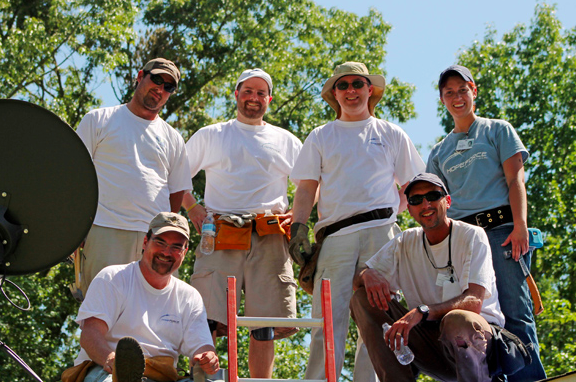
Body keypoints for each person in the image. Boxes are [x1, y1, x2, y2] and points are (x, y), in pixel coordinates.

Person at [289, 62, 425, 381]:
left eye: (357, 83)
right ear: (334, 94)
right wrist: (298, 229)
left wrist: (392, 212)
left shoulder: (391, 133)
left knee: (380, 320)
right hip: (335, 237)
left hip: (382, 236)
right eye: (343, 85)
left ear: (370, 89)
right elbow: (306, 187)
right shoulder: (322, 136)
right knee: (327, 322)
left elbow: (414, 186)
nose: (351, 90)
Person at [426, 65, 546, 380]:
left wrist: (520, 226)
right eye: (449, 93)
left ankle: (530, 378)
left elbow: (515, 180)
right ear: (442, 99)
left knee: (515, 313)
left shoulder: (497, 130)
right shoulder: (440, 152)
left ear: (473, 91)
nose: (457, 97)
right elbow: (435, 203)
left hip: (504, 232)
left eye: (462, 90)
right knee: (478, 316)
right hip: (464, 241)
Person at [182, 68, 302, 378]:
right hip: (221, 232)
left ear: (269, 99)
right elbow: (176, 175)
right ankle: (203, 378)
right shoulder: (212, 135)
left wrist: (299, 214)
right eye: (248, 91)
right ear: (236, 94)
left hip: (269, 234)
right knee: (207, 314)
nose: (254, 97)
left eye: (261, 93)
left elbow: (311, 183)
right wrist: (193, 208)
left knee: (264, 323)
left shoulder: (285, 141)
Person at [351, 173, 506, 382]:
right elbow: (358, 282)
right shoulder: (405, 241)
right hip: (429, 344)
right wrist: (367, 274)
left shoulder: (472, 235)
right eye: (416, 200)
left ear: (447, 201)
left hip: (478, 345)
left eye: (433, 196)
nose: (425, 204)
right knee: (362, 299)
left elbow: (474, 301)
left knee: (457, 320)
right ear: (410, 209)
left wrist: (422, 312)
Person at [75, 58, 192, 297]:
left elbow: (177, 193)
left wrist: (164, 233)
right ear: (140, 76)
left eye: (168, 86)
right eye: (156, 79)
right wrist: (76, 231)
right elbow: (74, 177)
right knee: (100, 311)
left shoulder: (173, 138)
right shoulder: (98, 120)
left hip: (155, 238)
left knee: (156, 315)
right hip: (104, 229)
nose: (160, 89)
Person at [63, 212, 219, 382]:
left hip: (161, 375)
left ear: (185, 252)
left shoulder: (189, 296)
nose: (167, 252)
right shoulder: (113, 278)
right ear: (145, 242)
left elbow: (202, 346)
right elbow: (90, 335)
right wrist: (112, 361)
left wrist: (207, 358)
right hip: (106, 371)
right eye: (160, 242)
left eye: (176, 247)